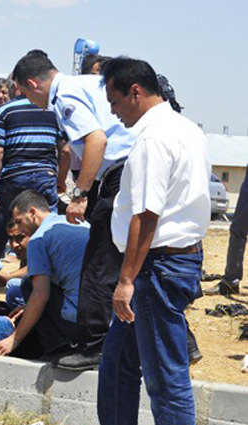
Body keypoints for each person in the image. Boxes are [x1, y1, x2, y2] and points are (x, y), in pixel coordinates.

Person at [98, 57, 210, 425]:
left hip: (155, 269)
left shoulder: (154, 138)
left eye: (114, 102)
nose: (113, 113)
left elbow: (147, 214)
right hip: (165, 262)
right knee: (116, 364)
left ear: (135, 92)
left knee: (165, 376)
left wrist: (126, 280)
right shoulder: (186, 128)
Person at [14, 50, 135, 370]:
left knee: (97, 265)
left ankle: (93, 346)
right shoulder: (86, 83)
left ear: (31, 84)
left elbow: (96, 141)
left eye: (25, 94)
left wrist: (80, 194)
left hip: (117, 175)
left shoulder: (63, 96)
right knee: (132, 258)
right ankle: (184, 340)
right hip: (132, 170)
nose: (29, 101)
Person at [0, 65, 65, 290]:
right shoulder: (54, 109)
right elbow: (64, 149)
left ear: (18, 86)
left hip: (14, 179)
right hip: (45, 177)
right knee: (44, 229)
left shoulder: (6, 111)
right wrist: (60, 179)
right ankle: (34, 280)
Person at [0, 190, 88, 359]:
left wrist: (14, 339)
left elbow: (40, 294)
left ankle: (58, 348)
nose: (20, 228)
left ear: (32, 213)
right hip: (102, 319)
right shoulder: (82, 224)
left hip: (76, 322)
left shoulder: (40, 238)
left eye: (20, 222)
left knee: (29, 284)